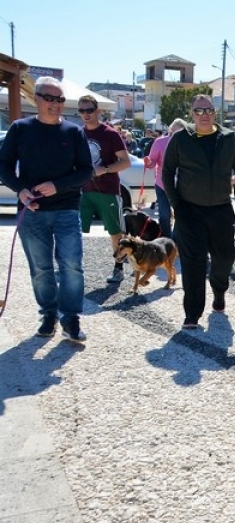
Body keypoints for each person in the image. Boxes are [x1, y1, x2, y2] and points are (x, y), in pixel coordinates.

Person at [0, 77, 93, 341]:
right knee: (40, 268)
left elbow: (85, 171)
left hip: (67, 209)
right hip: (32, 211)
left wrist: (58, 185)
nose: (55, 104)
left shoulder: (74, 132)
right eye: (49, 98)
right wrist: (20, 189)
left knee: (72, 265)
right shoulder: (20, 129)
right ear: (36, 98)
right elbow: (4, 165)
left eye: (60, 99)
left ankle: (71, 319)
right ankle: (49, 315)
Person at [162, 94, 235, 329]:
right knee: (193, 262)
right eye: (199, 111)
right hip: (189, 210)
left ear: (215, 113)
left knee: (222, 259)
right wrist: (176, 204)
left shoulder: (228, 138)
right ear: (192, 114)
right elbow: (167, 171)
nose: (204, 115)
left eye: (209, 110)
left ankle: (219, 290)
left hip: (220, 210)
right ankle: (192, 313)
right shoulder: (181, 139)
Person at [77, 95, 132, 283]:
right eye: (81, 110)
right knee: (74, 229)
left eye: (89, 110)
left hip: (108, 190)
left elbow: (125, 162)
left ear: (97, 111)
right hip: (83, 190)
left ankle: (119, 268)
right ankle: (70, 267)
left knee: (115, 231)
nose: (85, 114)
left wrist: (105, 169)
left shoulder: (110, 134)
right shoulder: (78, 134)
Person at [144, 119, 188, 238]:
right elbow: (152, 162)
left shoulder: (187, 143)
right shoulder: (160, 142)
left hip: (181, 185)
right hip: (161, 183)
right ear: (170, 130)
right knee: (164, 215)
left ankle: (175, 240)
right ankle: (166, 241)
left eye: (179, 134)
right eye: (173, 133)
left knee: (180, 214)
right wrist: (149, 162)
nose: (174, 136)